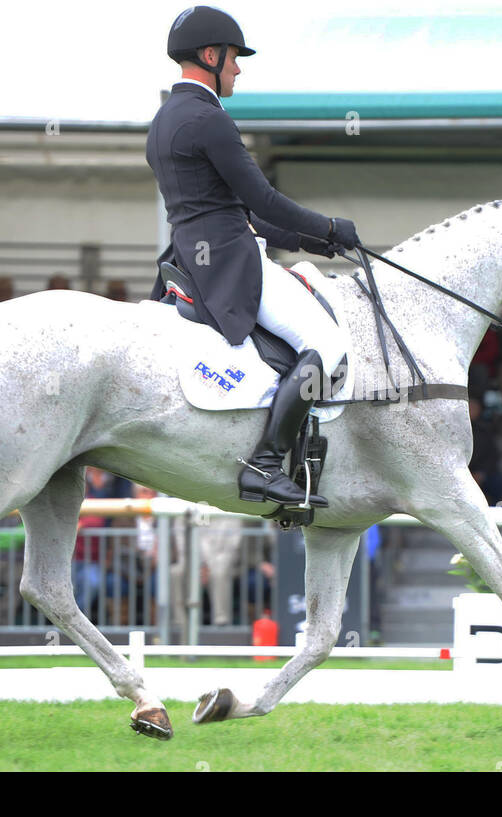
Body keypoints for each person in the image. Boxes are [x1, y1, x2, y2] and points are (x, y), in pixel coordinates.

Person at [147, 6, 360, 509]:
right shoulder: (209, 119)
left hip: (191, 255)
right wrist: (329, 225)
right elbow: (263, 200)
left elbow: (235, 210)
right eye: (235, 59)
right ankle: (265, 465)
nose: (238, 69)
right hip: (228, 260)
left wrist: (315, 242)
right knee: (326, 344)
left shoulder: (165, 119)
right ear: (211, 55)